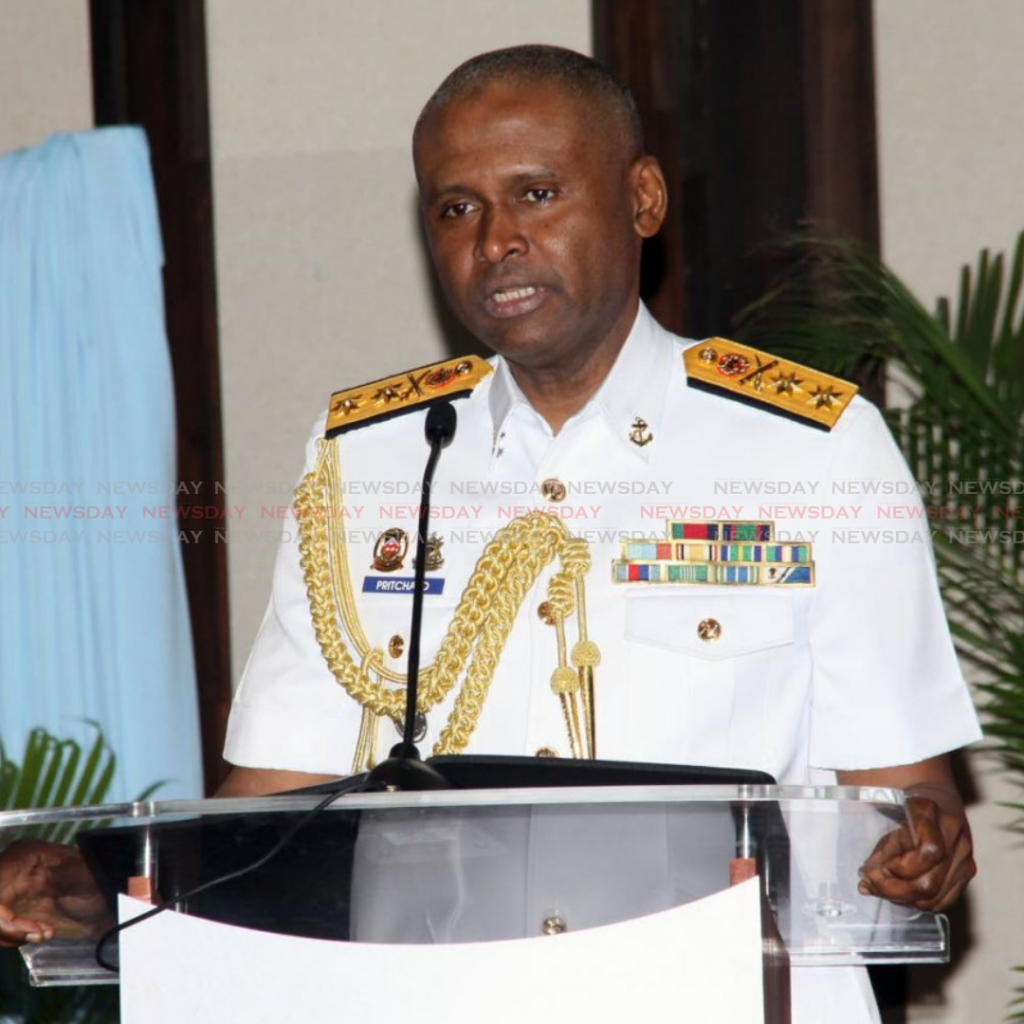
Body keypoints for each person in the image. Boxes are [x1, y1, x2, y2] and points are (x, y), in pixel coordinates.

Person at [2, 45, 979, 1023]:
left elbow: (903, 806)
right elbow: (273, 804)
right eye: (455, 207)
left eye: (538, 193)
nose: (496, 238)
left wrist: (921, 855)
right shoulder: (373, 459)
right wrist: (108, 896)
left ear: (641, 199)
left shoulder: (806, 447)